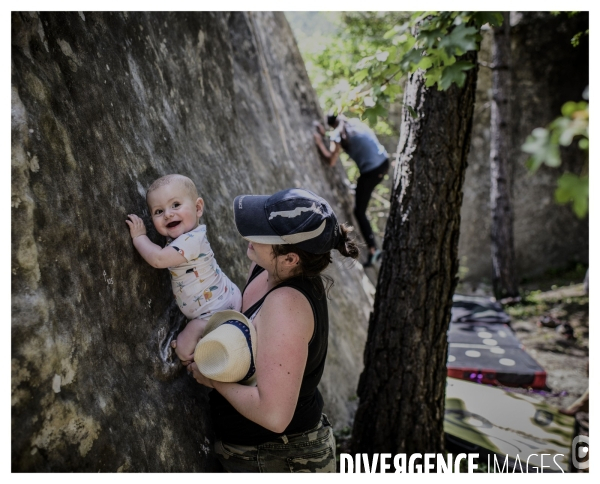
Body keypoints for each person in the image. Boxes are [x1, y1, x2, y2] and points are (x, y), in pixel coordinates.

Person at [181, 188, 359, 472]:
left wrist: (212, 379)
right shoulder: (267, 266)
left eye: (263, 233)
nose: (250, 236)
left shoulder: (287, 305)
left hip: (282, 459)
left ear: (290, 259)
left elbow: (274, 415)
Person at [125, 174, 242, 364]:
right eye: (158, 211)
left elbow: (158, 258)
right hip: (225, 296)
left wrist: (139, 238)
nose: (168, 214)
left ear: (198, 208)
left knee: (182, 348)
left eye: (176, 205)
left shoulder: (191, 241)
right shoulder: (186, 237)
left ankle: (194, 355)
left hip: (214, 314)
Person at [313, 114, 390, 267]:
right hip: (383, 162)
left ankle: (374, 250)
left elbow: (331, 160)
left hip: (372, 172)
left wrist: (319, 142)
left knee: (359, 211)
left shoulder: (337, 134)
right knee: (362, 190)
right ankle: (358, 190)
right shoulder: (354, 122)